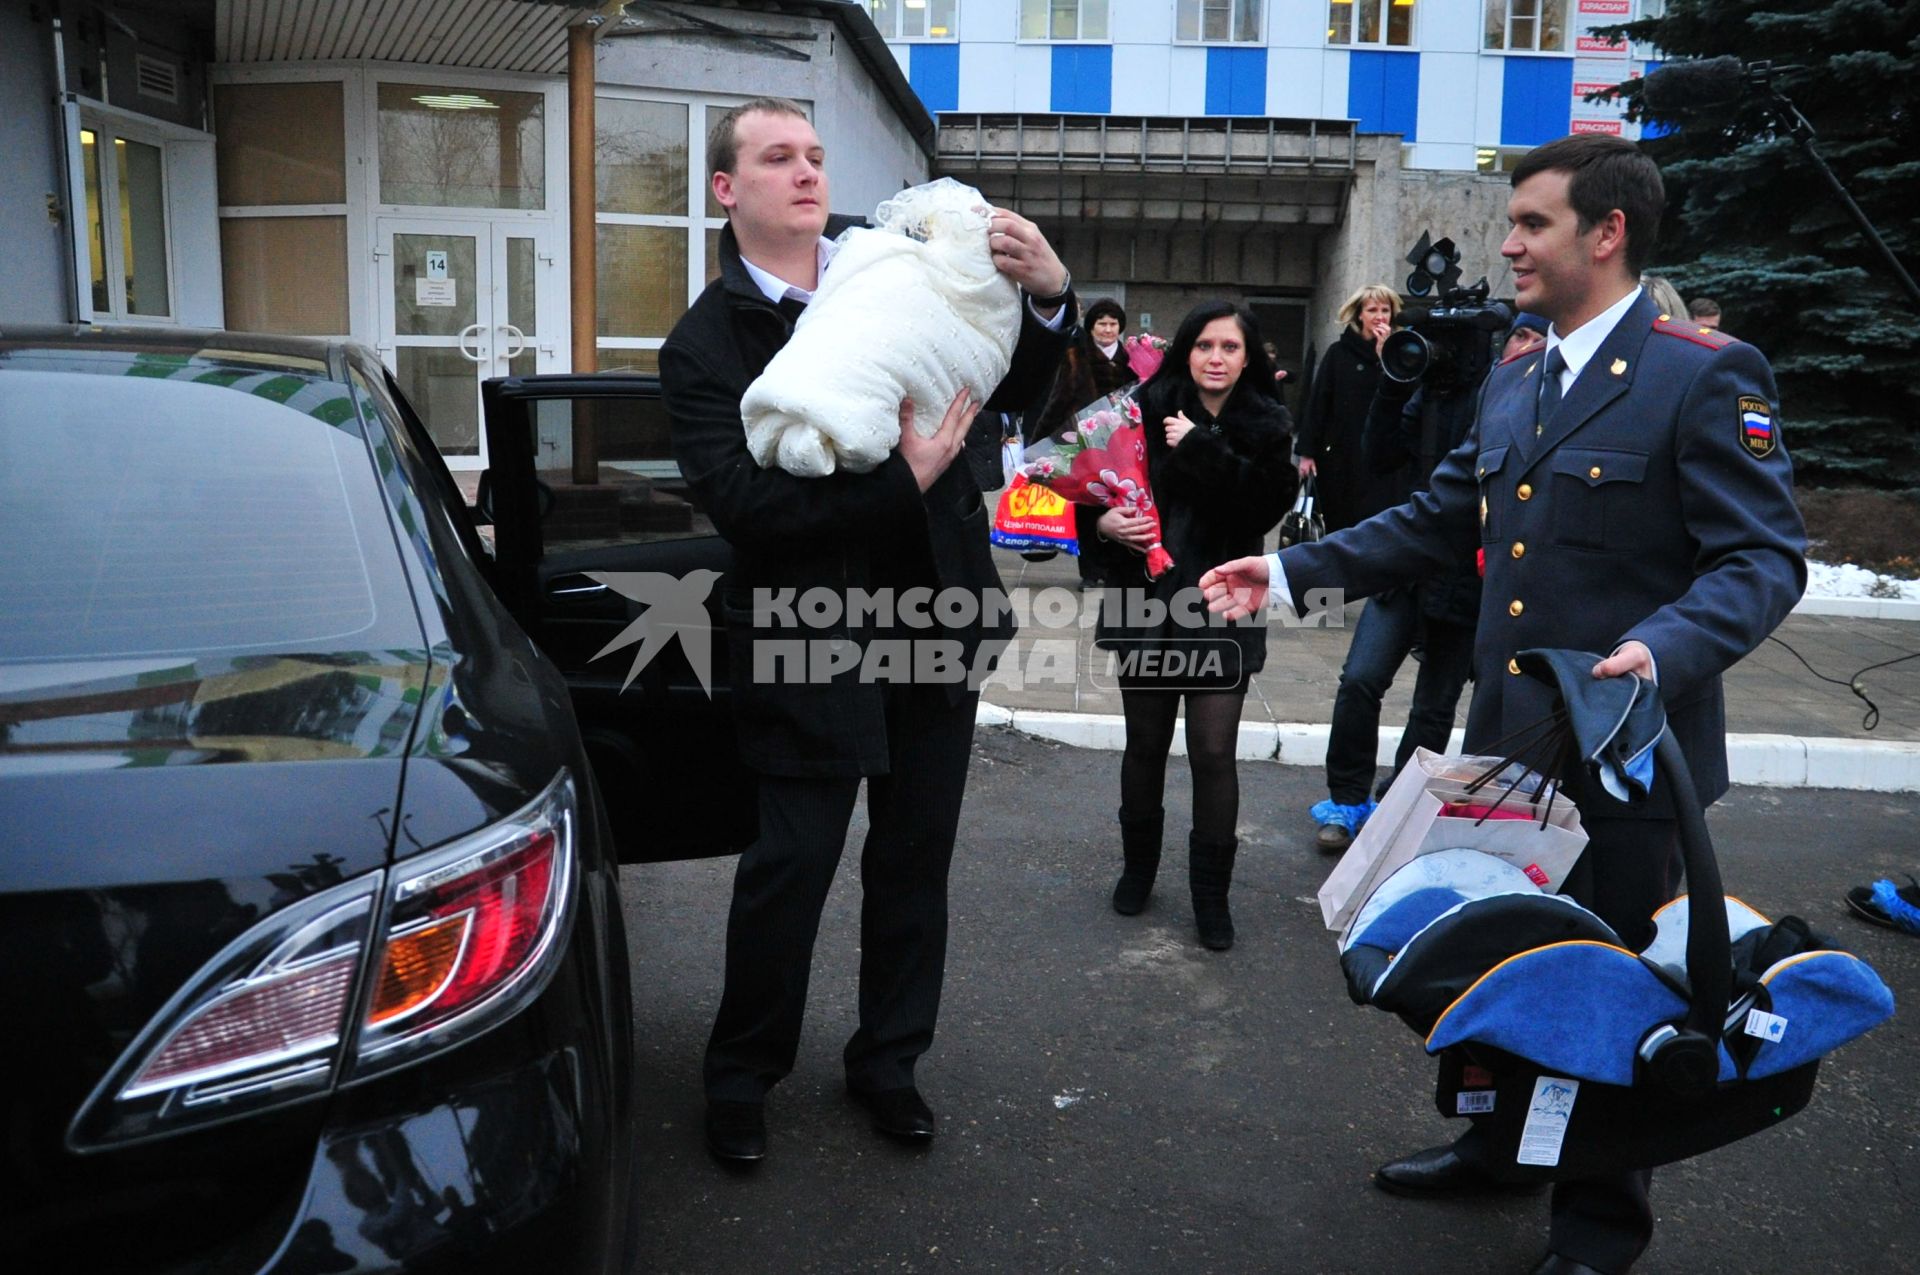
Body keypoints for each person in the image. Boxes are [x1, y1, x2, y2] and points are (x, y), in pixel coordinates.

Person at [1202, 134, 1806, 1273]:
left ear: (1606, 231)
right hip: (1510, 750)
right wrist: (1287, 573)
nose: (1509, 242)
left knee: (1614, 991)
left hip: (1628, 754)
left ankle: (1596, 1229)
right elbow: (1438, 517)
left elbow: (1762, 562)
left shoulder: (1704, 372)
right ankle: (1493, 1157)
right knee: (1499, 964)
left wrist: (1657, 648)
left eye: (1531, 222)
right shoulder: (1520, 369)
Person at [661, 97, 1076, 1165]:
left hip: (934, 615)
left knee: (912, 865)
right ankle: (744, 1075)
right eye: (775, 159)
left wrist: (1051, 297)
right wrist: (908, 479)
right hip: (806, 630)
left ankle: (888, 1062)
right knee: (789, 868)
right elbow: (754, 511)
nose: (807, 174)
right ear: (727, 189)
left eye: (813, 154)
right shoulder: (705, 344)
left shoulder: (892, 263)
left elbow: (1012, 389)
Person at [1085, 302, 1295, 950]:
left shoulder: (1267, 423)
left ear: (1247, 356)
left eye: (1229, 346)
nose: (1215, 357)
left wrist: (1201, 447)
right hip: (1145, 599)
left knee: (1212, 751)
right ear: (1186, 349)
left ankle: (1211, 896)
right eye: (1204, 344)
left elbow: (1266, 503)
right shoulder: (1143, 406)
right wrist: (1103, 526)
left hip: (1221, 601)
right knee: (1144, 745)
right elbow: (1097, 487)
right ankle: (1137, 871)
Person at [1309, 313, 1550, 853]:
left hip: (1469, 575)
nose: (1526, 347)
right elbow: (1380, 454)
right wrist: (1393, 389)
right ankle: (1347, 802)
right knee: (1360, 680)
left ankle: (1400, 806)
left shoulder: (1520, 402)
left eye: (1537, 339)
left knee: (1434, 707)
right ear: (1503, 341)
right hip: (1409, 564)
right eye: (1520, 336)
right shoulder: (1436, 392)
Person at [1034, 298, 1137, 584]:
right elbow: (1059, 398)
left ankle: (1112, 566)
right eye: (1101, 323)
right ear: (1091, 327)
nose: (1107, 329)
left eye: (1112, 324)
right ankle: (1090, 571)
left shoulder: (1133, 360)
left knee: (1119, 505)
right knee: (1087, 506)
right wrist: (1040, 441)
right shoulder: (1076, 356)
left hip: (1123, 448)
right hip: (1084, 445)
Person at [1297, 285, 1408, 534]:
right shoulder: (1339, 353)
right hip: (1342, 454)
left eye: (1385, 310)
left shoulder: (1400, 353)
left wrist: (1385, 358)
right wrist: (1307, 452)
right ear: (1360, 315)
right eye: (1372, 310)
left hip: (1382, 456)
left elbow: (1405, 397)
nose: (1380, 316)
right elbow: (1318, 403)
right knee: (1342, 521)